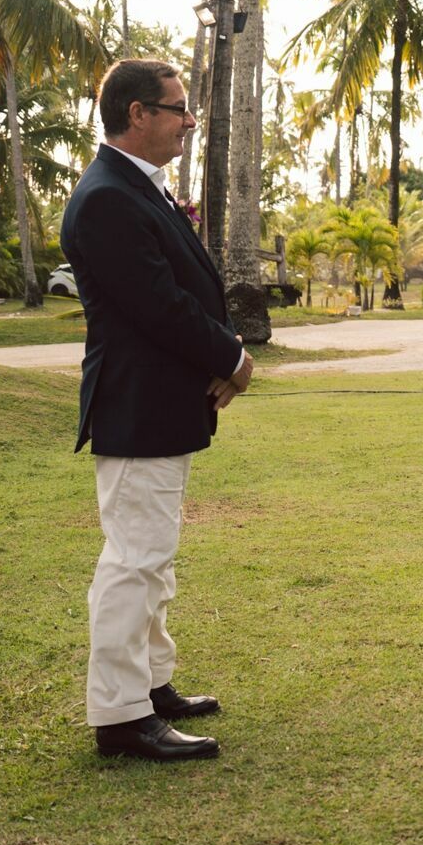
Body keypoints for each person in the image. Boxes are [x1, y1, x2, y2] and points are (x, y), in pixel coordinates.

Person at [61, 59, 254, 761]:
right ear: (137, 113)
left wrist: (216, 358)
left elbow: (181, 289)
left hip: (161, 403)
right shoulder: (108, 197)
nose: (189, 120)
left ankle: (149, 684)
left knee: (154, 557)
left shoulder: (139, 188)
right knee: (134, 560)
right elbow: (159, 305)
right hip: (136, 404)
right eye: (177, 108)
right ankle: (120, 715)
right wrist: (233, 357)